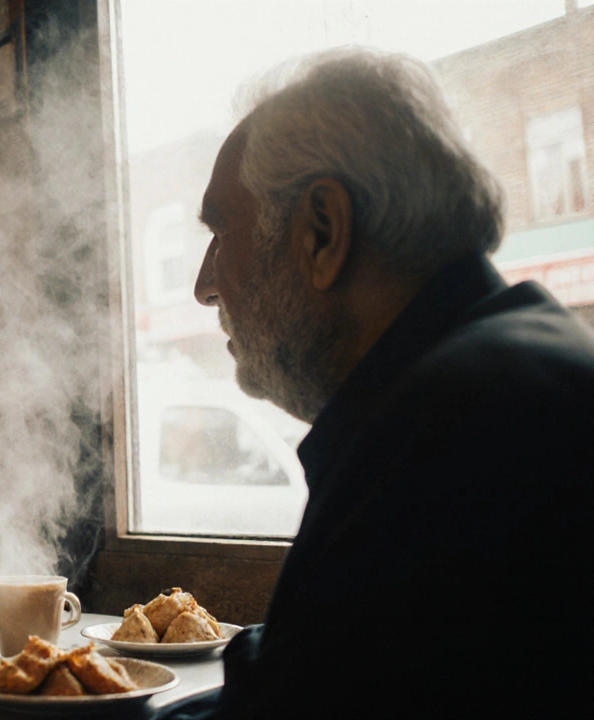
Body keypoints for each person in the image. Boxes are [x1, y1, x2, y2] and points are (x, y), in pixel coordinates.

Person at [161, 48, 594, 719]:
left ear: (323, 230)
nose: (205, 285)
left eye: (223, 232)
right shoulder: (519, 369)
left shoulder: (448, 432)